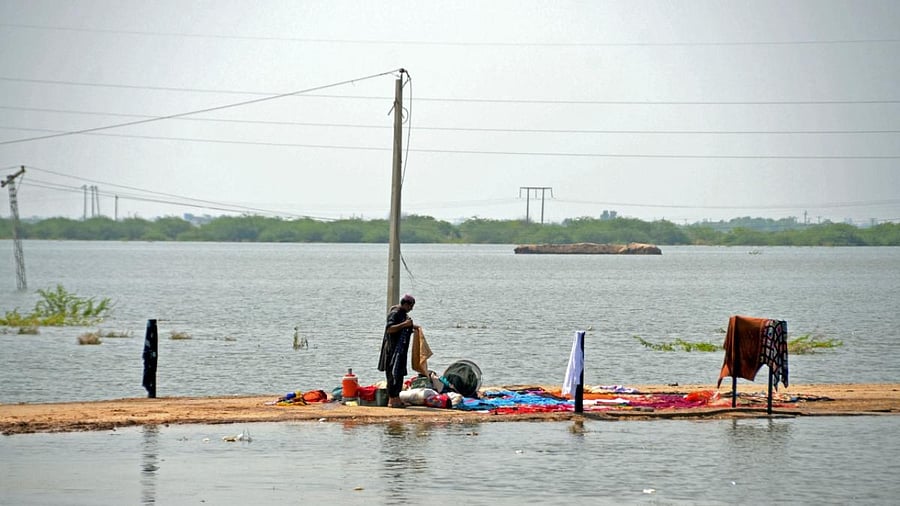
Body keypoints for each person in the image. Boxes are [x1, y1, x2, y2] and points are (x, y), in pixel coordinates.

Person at [378, 294, 419, 408]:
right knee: (392, 374)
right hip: (392, 350)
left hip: (400, 351)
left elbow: (403, 327)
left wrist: (413, 327)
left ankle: (397, 398)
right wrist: (405, 324)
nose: (411, 308)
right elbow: (390, 329)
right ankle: (391, 400)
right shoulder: (394, 313)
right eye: (411, 306)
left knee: (399, 374)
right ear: (405, 304)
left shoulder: (403, 314)